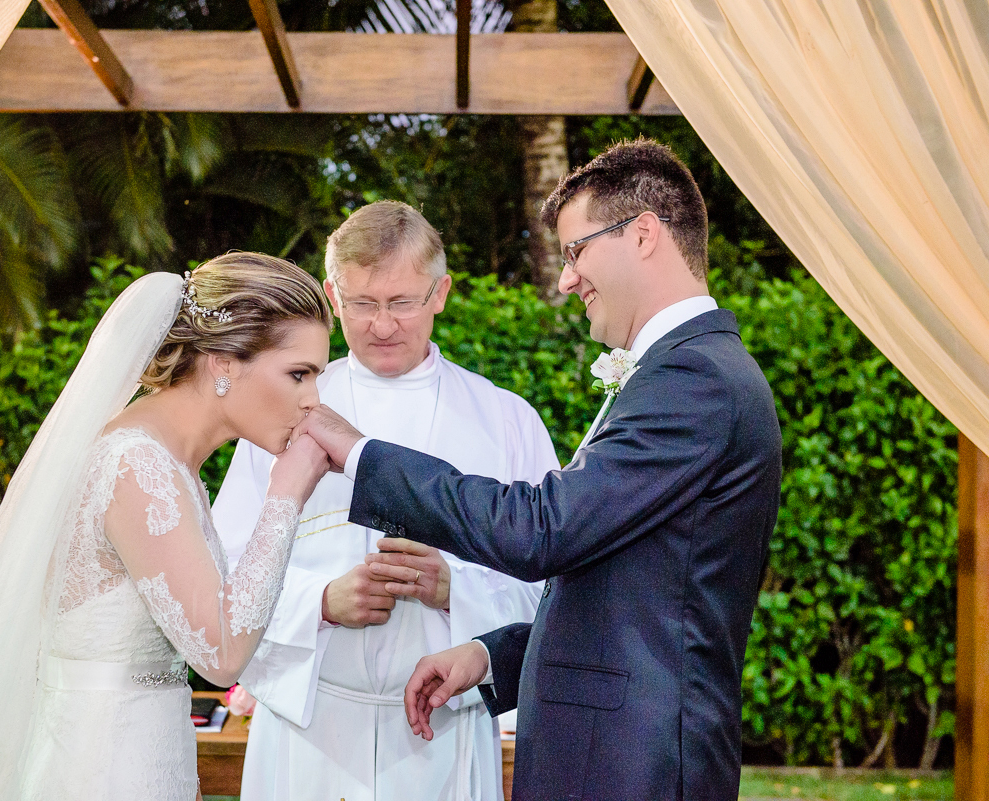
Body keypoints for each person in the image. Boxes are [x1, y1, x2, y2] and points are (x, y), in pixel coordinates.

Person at [299, 140, 783, 801]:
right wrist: (490, 656)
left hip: (633, 767)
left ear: (642, 234)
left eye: (576, 250)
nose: (565, 278)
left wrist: (358, 452)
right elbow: (627, 591)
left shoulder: (692, 376)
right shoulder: (686, 369)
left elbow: (544, 528)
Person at [0, 253, 334, 801]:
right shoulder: (136, 464)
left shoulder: (168, 461)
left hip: (140, 759)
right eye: (299, 373)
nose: (313, 398)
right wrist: (287, 492)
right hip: (100, 772)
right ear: (223, 362)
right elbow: (220, 655)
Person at [212, 201, 559, 800]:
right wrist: (321, 602)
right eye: (362, 304)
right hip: (311, 728)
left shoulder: (506, 421)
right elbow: (222, 570)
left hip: (443, 730)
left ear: (441, 293)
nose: (382, 325)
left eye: (402, 302)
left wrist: (456, 590)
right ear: (331, 296)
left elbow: (555, 585)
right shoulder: (282, 410)